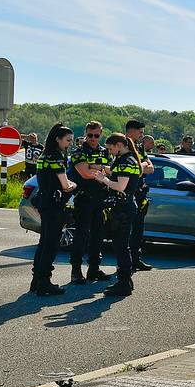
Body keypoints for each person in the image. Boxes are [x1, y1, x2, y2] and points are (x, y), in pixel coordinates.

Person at [30, 123, 78, 296]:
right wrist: (73, 184)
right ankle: (45, 282)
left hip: (44, 202)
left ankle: (36, 280)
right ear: (57, 139)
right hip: (55, 205)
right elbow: (65, 185)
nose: (70, 144)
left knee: (43, 243)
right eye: (67, 140)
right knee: (51, 245)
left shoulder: (43, 156)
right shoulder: (56, 157)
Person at [91, 133, 141, 297]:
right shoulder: (129, 159)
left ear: (119, 145)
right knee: (121, 245)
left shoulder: (126, 161)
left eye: (111, 148)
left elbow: (120, 186)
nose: (111, 152)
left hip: (123, 209)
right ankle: (126, 281)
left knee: (120, 246)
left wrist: (103, 180)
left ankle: (123, 283)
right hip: (126, 207)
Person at [68, 120, 111, 284]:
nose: (93, 138)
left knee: (98, 235)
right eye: (90, 135)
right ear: (85, 134)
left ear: (101, 134)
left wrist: (95, 168)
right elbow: (85, 173)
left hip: (100, 198)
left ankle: (94, 269)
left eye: (96, 135)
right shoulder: (79, 151)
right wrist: (99, 170)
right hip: (84, 197)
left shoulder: (104, 151)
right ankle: (76, 270)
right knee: (81, 235)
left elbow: (109, 171)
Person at [125, 120, 155, 271]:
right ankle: (125, 262)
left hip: (140, 193)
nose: (142, 135)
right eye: (140, 132)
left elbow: (151, 168)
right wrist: (141, 166)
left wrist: (140, 166)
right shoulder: (123, 145)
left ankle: (136, 259)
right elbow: (136, 169)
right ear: (131, 131)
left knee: (138, 229)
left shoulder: (139, 147)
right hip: (128, 193)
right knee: (126, 231)